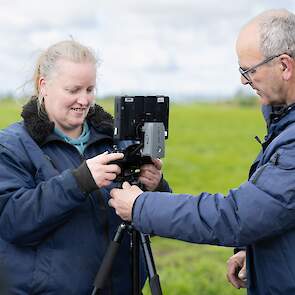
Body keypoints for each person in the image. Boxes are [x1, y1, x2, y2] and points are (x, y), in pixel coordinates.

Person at [109, 9, 295, 295]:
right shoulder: (284, 124)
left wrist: (140, 207)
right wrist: (258, 255)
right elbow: (278, 211)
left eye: (249, 70)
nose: (244, 81)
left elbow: (237, 215)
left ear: (284, 66)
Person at [0, 40, 171, 295]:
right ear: (43, 86)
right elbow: (11, 221)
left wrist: (155, 186)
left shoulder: (117, 140)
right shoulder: (13, 145)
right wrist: (79, 182)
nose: (84, 99)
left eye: (90, 89)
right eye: (73, 89)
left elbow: (154, 222)